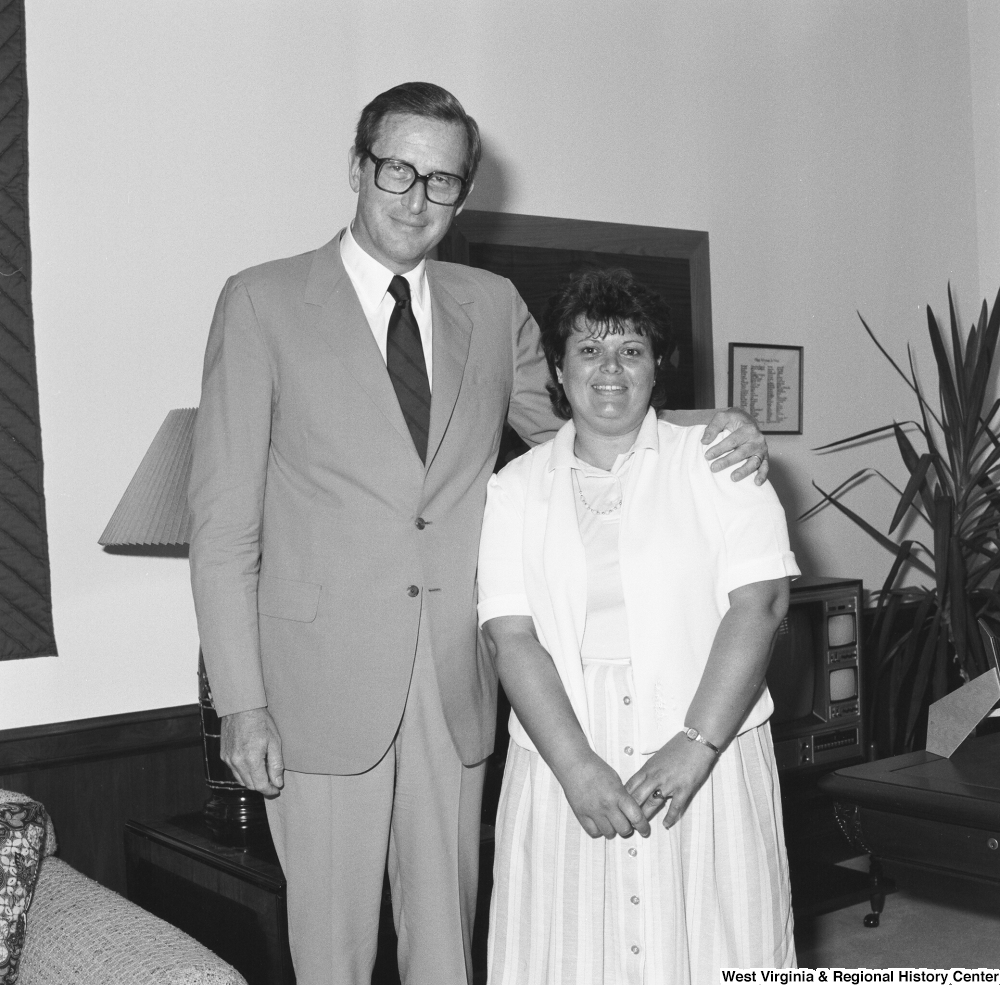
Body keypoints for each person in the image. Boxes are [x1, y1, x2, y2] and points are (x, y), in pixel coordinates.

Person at [188, 82, 770, 985]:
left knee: (449, 944)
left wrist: (708, 428)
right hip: (318, 687)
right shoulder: (261, 303)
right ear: (357, 166)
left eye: (444, 182)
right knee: (332, 954)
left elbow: (576, 422)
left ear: (466, 192)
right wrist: (240, 700)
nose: (418, 200)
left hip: (455, 673)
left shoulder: (491, 304)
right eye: (398, 171)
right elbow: (222, 526)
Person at [478, 268, 799, 983]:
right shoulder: (515, 488)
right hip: (567, 748)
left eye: (632, 348)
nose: (611, 368)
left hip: (705, 740)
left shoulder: (719, 461)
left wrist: (695, 745)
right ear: (557, 372)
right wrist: (577, 766)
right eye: (589, 351)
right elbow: (510, 635)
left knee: (716, 943)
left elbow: (762, 605)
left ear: (658, 367)